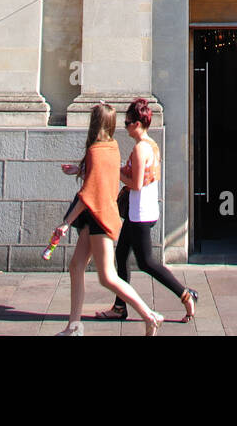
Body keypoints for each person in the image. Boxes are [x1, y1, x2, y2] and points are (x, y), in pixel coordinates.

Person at [56, 102, 163, 337]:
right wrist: (80, 170)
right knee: (76, 267)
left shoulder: (96, 149)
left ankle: (149, 315)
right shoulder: (112, 146)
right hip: (99, 214)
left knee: (107, 276)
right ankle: (74, 326)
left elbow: (89, 193)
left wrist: (66, 222)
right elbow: (103, 176)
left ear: (95, 122)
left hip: (99, 216)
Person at [97, 98, 198, 324]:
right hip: (142, 210)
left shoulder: (141, 148)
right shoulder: (151, 145)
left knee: (147, 263)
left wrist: (115, 173)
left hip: (140, 213)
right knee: (121, 255)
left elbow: (136, 184)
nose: (125, 126)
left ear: (137, 123)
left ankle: (185, 294)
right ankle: (119, 306)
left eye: (127, 122)